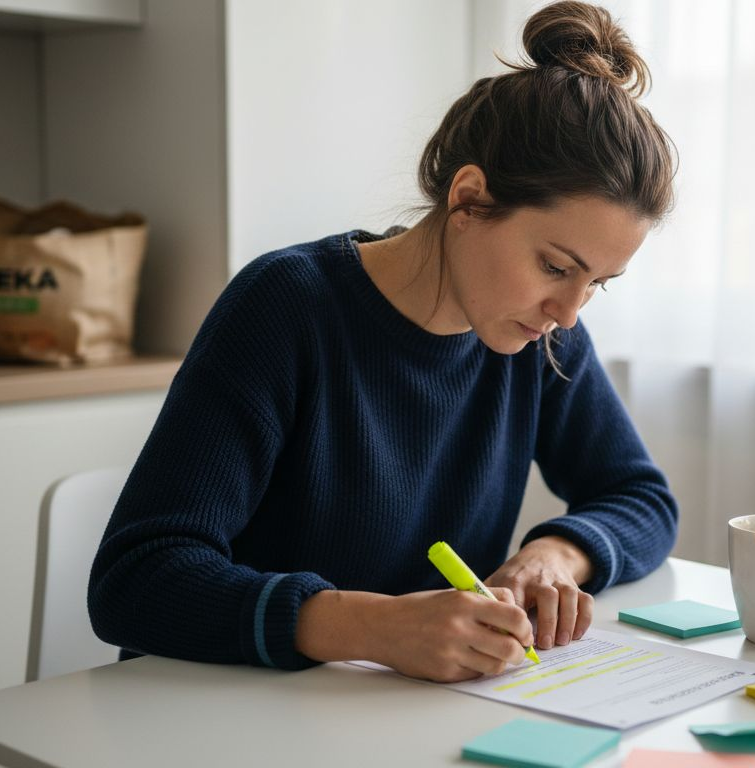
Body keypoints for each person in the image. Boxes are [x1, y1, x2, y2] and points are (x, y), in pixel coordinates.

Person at [88, 0, 678, 684]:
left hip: (393, 720)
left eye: (597, 283)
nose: (570, 311)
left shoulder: (539, 336)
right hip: (226, 714)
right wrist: (373, 627)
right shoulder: (286, 307)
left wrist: (555, 553)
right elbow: (135, 581)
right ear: (468, 200)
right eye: (555, 266)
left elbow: (641, 498)